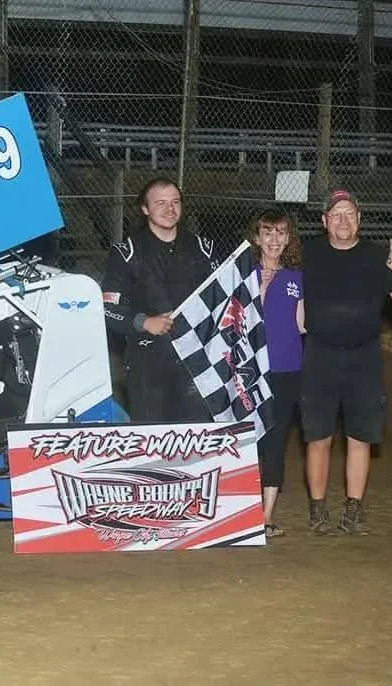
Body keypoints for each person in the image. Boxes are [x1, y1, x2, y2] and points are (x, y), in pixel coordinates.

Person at [300, 189, 392, 535]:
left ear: (359, 219)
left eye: (349, 213)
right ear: (324, 221)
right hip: (319, 355)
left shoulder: (379, 256)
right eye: (336, 214)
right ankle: (318, 509)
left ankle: (353, 508)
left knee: (359, 436)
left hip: (364, 358)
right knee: (317, 436)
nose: (343, 220)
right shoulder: (307, 255)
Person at [100, 176, 222, 422]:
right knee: (152, 443)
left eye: (176, 202)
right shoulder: (127, 252)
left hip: (197, 360)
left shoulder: (203, 247)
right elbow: (105, 308)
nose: (170, 209)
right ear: (145, 209)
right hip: (148, 362)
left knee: (196, 443)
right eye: (161, 203)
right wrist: (142, 322)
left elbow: (223, 298)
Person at [247, 208, 306, 538]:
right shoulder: (243, 275)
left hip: (288, 371)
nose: (273, 239)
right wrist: (264, 288)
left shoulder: (297, 277)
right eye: (267, 232)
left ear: (288, 238)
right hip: (251, 371)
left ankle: (266, 516)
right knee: (249, 439)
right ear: (257, 238)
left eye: (280, 232)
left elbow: (301, 324)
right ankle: (241, 510)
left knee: (276, 439)